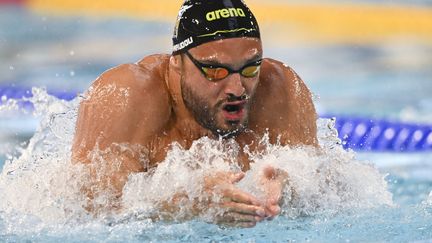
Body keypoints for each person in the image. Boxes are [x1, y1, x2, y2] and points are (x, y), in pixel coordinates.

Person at [72, 0, 317, 227]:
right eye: (215, 71)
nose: (237, 88)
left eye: (251, 67)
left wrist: (292, 186)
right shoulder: (128, 96)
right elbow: (87, 211)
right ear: (177, 61)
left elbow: (334, 187)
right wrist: (186, 205)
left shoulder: (280, 89)